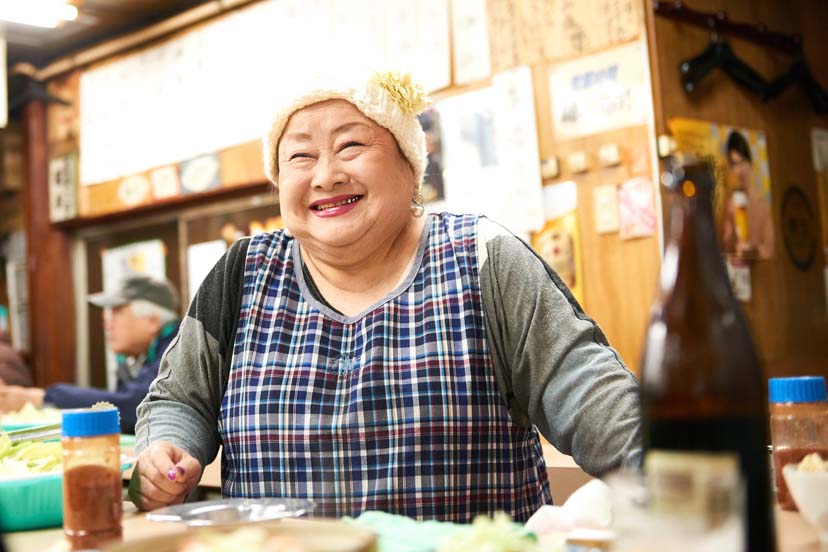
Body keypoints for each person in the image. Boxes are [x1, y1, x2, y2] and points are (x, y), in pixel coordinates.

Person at [129, 71, 641, 521]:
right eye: (300, 157)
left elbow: (598, 404)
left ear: (409, 166)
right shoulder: (242, 273)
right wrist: (165, 450)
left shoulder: (485, 259)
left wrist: (688, 471)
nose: (326, 175)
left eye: (350, 146)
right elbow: (178, 399)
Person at [0, 274, 179, 434]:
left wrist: (45, 398)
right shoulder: (138, 358)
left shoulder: (177, 351)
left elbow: (136, 408)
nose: (107, 324)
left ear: (152, 322)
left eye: (117, 312)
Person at [721, 130, 775, 259]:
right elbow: (725, 248)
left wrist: (754, 250)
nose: (739, 171)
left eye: (743, 162)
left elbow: (770, 248)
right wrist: (731, 226)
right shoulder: (729, 204)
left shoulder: (762, 205)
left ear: (750, 163)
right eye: (734, 164)